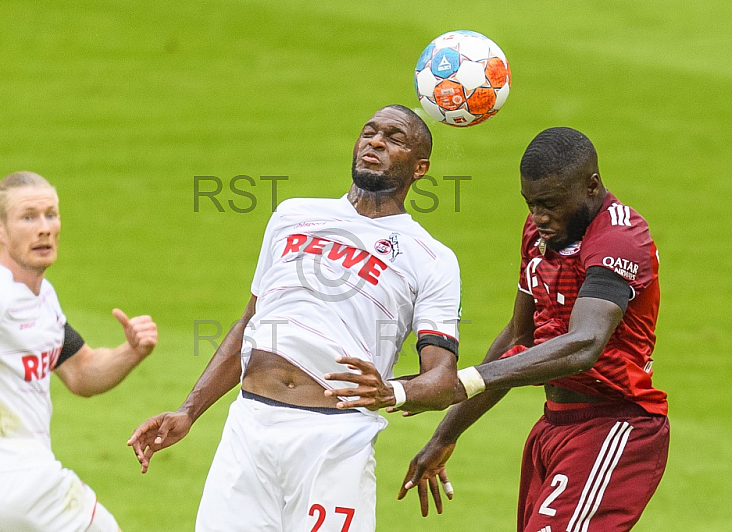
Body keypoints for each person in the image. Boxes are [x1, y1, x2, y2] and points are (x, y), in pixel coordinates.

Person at [128, 105, 462, 532]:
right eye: (369, 132)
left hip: (335, 442)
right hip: (249, 428)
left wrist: (392, 391)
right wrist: (189, 411)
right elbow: (250, 321)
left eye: (393, 138)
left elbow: (442, 379)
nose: (375, 142)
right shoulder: (292, 215)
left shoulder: (430, 258)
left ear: (420, 168)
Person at [398, 127, 669, 531]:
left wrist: (460, 382)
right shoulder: (541, 234)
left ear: (592, 185)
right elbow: (519, 337)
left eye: (550, 204)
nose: (539, 217)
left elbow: (584, 344)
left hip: (614, 426)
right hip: (553, 427)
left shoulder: (619, 238)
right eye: (531, 204)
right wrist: (446, 434)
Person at [0, 172, 158, 532]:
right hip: (19, 483)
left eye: (50, 215)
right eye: (28, 217)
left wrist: (131, 352)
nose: (44, 228)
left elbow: (82, 372)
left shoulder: (42, 297)